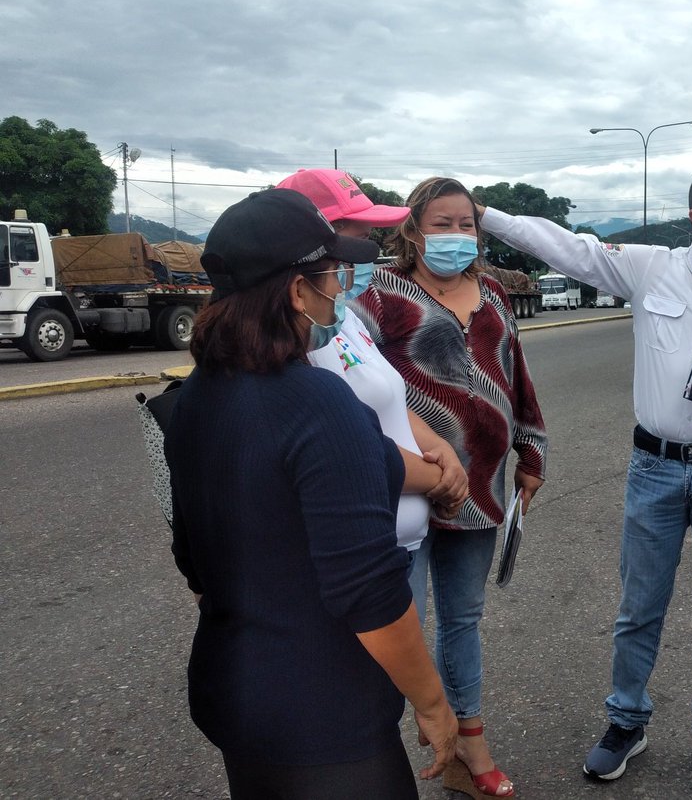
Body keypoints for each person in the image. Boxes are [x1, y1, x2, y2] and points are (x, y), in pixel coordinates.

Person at [478, 164, 692, 798]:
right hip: (654, 468)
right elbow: (567, 246)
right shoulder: (649, 268)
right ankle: (625, 722)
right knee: (639, 609)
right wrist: (483, 214)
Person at [165, 189, 457, 799]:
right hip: (324, 712)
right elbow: (368, 589)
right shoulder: (319, 404)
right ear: (298, 291)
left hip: (234, 692)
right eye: (331, 273)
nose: (339, 286)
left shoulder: (192, 398)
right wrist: (432, 702)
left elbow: (192, 559)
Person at [355, 176, 548, 799]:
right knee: (395, 624)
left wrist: (529, 450)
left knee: (462, 622)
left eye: (467, 224)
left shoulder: (491, 290)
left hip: (482, 490)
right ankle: (370, 762)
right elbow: (347, 374)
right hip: (407, 486)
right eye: (442, 224)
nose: (457, 235)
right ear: (412, 228)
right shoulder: (378, 293)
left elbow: (513, 373)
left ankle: (470, 747)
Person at [278, 168, 470, 545]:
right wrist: (441, 480)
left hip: (400, 542)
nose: (368, 255)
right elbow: (344, 450)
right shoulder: (294, 336)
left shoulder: (343, 316)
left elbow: (389, 397)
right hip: (358, 551)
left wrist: (439, 448)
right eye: (357, 243)